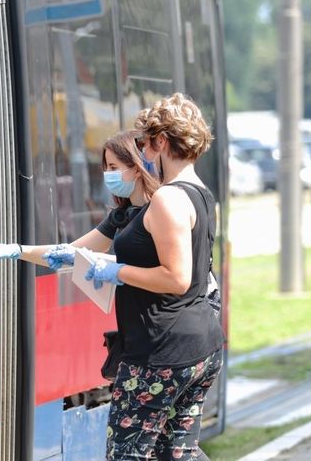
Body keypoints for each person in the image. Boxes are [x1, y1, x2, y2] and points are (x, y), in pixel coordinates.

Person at [88, 93, 224, 460]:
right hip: (200, 347)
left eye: (147, 144)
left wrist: (116, 270)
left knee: (127, 455)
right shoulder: (202, 195)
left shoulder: (167, 198)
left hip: (161, 350)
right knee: (176, 454)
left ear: (162, 142)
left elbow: (176, 278)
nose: (145, 154)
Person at [0, 129, 159, 272]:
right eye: (106, 168)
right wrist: (17, 250)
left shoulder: (159, 211)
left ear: (136, 169)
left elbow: (173, 277)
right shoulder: (121, 216)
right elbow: (68, 251)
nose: (107, 174)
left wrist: (107, 264)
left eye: (113, 167)